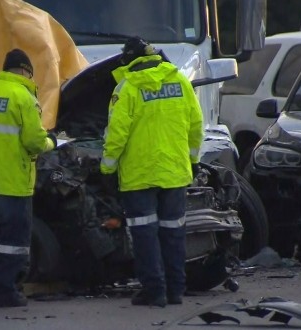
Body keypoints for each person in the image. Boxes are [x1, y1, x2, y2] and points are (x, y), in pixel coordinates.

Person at [100, 37, 204, 307]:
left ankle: (154, 291)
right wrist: (192, 160)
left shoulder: (128, 87)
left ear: (129, 60)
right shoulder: (180, 81)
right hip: (174, 172)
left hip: (139, 175)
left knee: (145, 235)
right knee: (173, 233)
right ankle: (175, 291)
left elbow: (116, 135)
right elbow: (196, 125)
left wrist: (107, 169)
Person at [0, 48, 56, 307]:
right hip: (11, 186)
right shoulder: (23, 97)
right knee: (11, 244)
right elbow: (34, 142)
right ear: (27, 72)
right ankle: (4, 292)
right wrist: (52, 141)